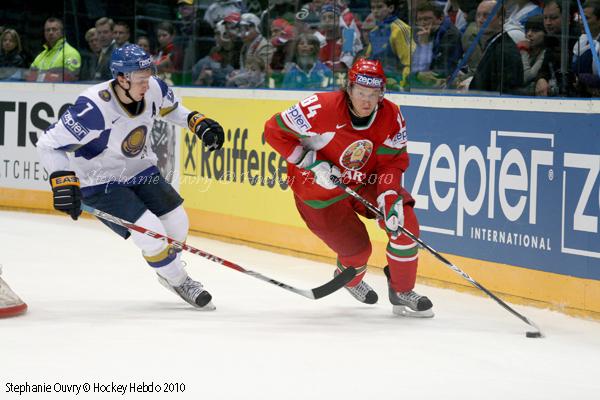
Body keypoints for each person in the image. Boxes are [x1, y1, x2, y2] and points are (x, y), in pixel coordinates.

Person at [36, 44, 225, 310]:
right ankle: (180, 280)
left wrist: (195, 121)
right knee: (151, 233)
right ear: (121, 78)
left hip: (138, 168)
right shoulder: (93, 108)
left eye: (148, 76)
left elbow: (171, 109)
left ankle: (168, 271)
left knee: (177, 222)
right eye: (140, 79)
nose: (147, 84)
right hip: (98, 179)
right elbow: (48, 144)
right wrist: (62, 181)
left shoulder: (153, 88)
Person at [263, 58, 434, 317]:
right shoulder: (321, 107)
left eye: (373, 94)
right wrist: (311, 163)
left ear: (381, 93)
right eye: (361, 93)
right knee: (358, 252)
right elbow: (273, 131)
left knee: (404, 224)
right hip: (318, 191)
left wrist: (389, 196)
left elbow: (392, 162)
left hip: (366, 180)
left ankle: (402, 290)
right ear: (349, 89)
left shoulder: (391, 114)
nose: (367, 101)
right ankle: (350, 280)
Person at [28, 17, 81, 82]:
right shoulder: (40, 56)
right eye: (48, 30)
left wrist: (41, 76)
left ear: (62, 32)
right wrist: (50, 76)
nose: (50, 32)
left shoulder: (71, 53)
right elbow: (29, 77)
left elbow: (69, 78)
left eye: (54, 29)